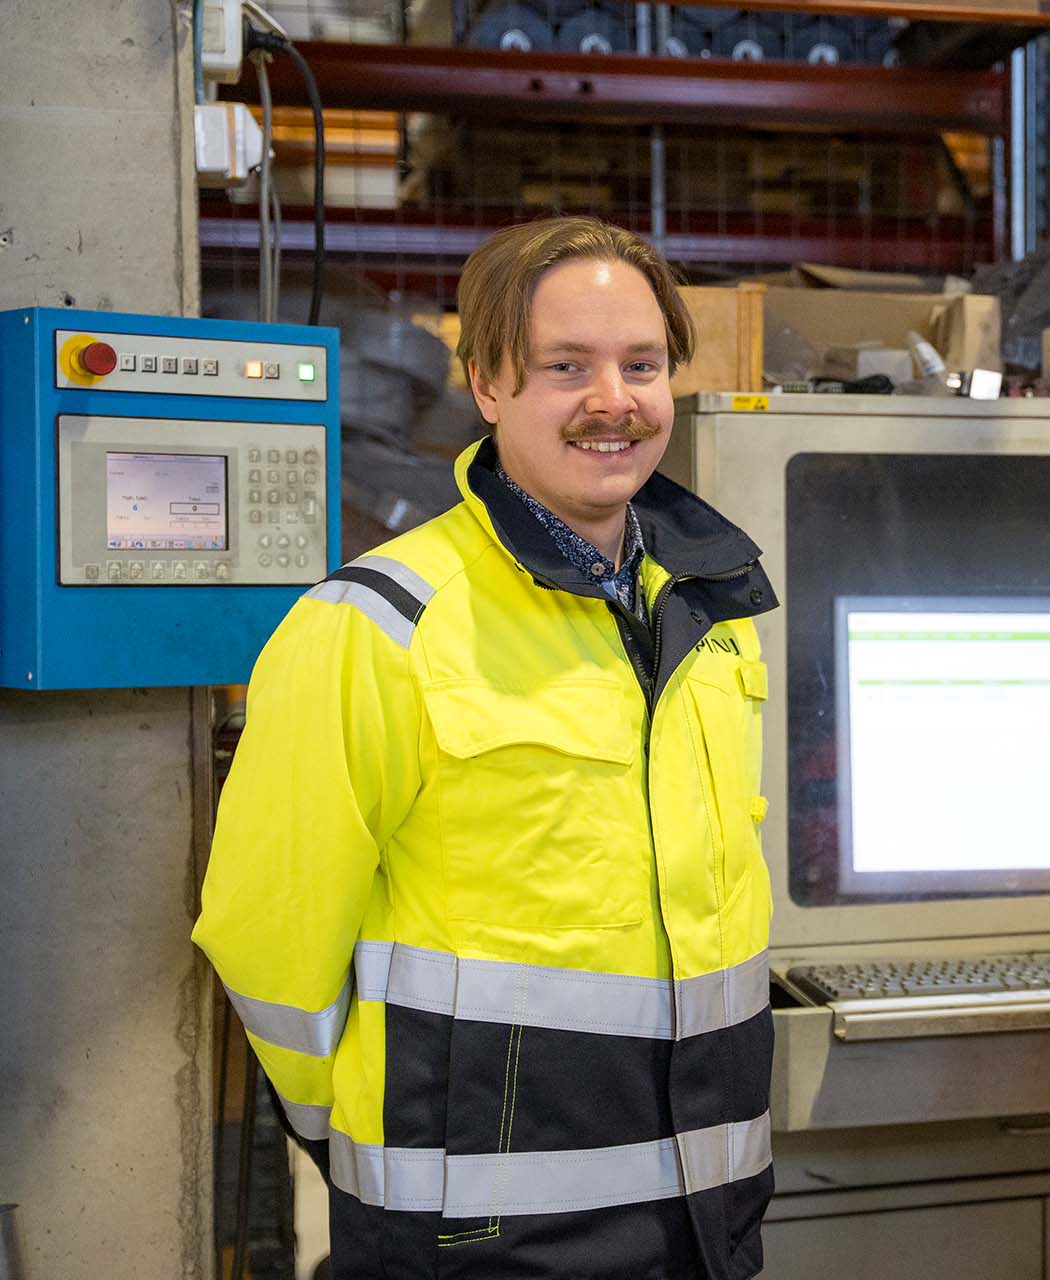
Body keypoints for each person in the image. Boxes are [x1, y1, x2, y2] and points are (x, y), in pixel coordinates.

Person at [193, 216, 779, 1279]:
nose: (614, 400)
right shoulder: (378, 625)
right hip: (475, 1241)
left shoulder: (711, 612)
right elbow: (267, 940)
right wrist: (401, 1145)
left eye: (640, 364)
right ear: (489, 386)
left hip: (707, 1215)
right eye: (567, 366)